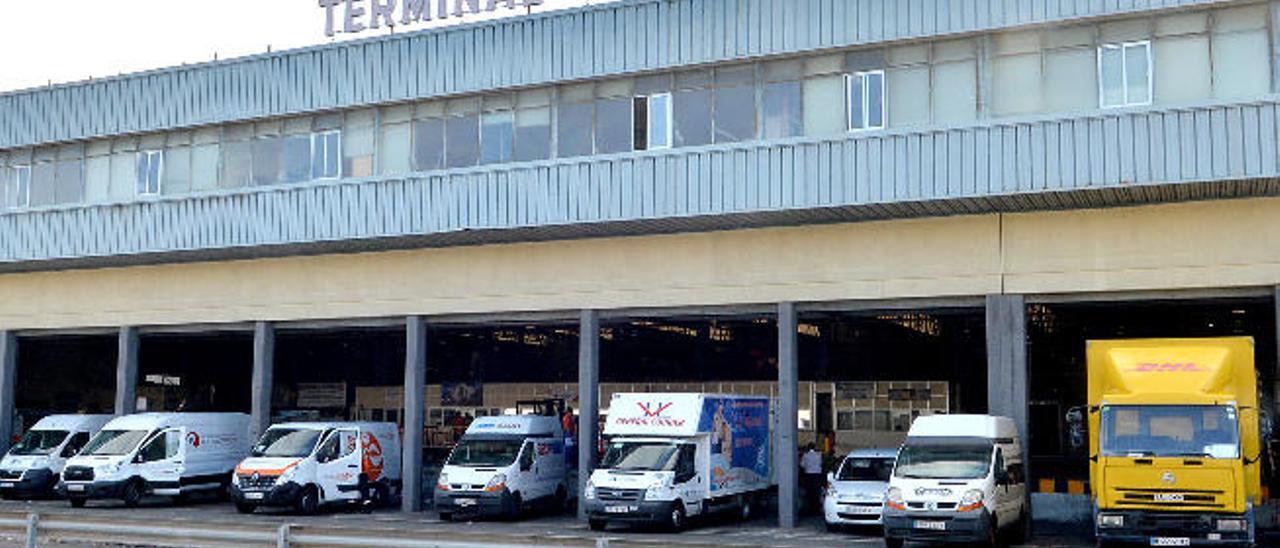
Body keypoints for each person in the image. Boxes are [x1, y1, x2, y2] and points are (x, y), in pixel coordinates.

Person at [800, 443, 824, 515]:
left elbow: (802, 465)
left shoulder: (805, 455)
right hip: (817, 475)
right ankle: (817, 509)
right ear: (814, 447)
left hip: (808, 475)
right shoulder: (819, 454)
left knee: (810, 493)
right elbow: (821, 463)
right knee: (817, 493)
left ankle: (810, 509)